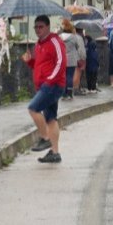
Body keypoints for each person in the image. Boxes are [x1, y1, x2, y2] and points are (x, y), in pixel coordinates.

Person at [23, 15, 66, 163]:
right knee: (51, 119)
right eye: (36, 27)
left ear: (48, 27)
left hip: (52, 85)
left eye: (41, 27)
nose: (38, 30)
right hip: (44, 85)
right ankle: (55, 152)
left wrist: (49, 80)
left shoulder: (55, 41)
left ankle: (45, 137)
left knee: (33, 108)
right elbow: (39, 66)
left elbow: (61, 63)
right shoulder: (38, 44)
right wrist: (30, 61)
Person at [59, 18, 84, 100]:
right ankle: (69, 94)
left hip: (62, 59)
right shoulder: (74, 37)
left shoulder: (60, 37)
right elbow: (77, 46)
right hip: (72, 59)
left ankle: (63, 94)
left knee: (63, 76)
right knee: (69, 76)